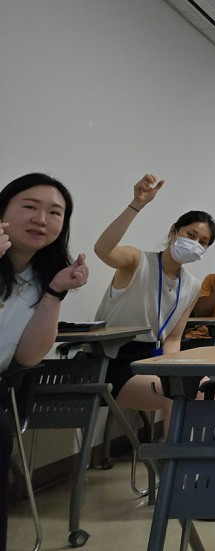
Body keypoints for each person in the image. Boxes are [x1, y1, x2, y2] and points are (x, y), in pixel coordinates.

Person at [0, 174, 88, 547]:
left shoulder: (41, 278)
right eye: (30, 207)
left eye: (55, 213)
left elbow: (29, 355)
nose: (42, 219)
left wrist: (55, 293)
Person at [94, 174, 215, 436]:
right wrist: (136, 205)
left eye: (202, 242)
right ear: (173, 232)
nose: (194, 244)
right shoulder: (138, 262)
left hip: (154, 359)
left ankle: (199, 467)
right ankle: (177, 473)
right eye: (190, 235)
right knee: (176, 395)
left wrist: (173, 369)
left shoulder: (191, 284)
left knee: (205, 387)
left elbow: (173, 339)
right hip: (113, 362)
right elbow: (103, 250)